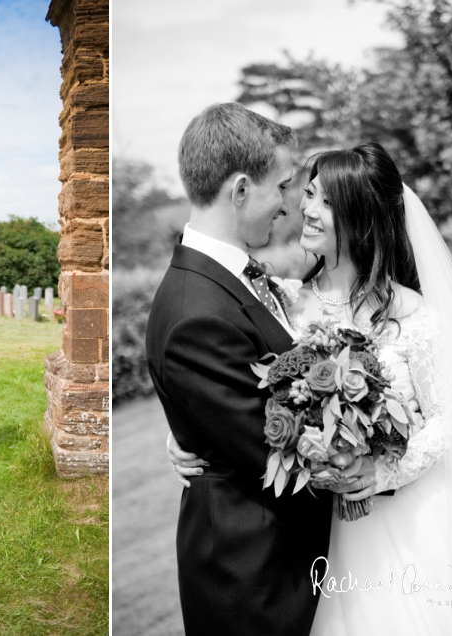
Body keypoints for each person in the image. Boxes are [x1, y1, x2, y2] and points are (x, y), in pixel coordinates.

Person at [169, 142, 452, 633]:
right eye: (309, 194)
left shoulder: (410, 315)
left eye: (325, 201)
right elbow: (239, 393)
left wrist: (381, 471)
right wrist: (188, 430)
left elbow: (449, 418)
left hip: (405, 524)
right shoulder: (286, 305)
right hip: (317, 538)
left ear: (361, 217)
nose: (307, 209)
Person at [145, 103, 352, 635]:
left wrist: (192, 433)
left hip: (287, 564)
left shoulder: (235, 280)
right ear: (240, 190)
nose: (290, 205)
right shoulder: (197, 313)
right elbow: (275, 454)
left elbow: (236, 413)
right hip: (256, 583)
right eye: (283, 187)